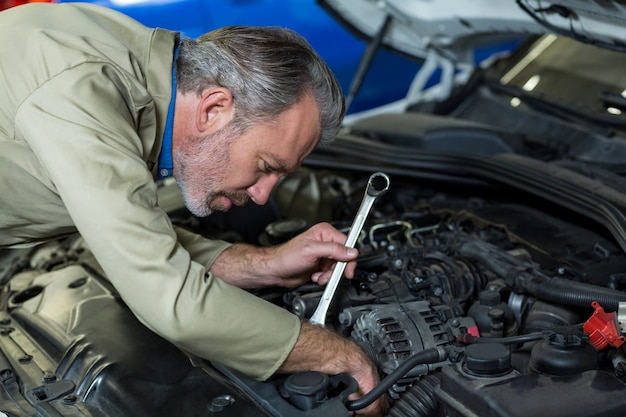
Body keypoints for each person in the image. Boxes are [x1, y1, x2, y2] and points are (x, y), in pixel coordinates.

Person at [0, 2, 384, 416]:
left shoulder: (135, 74)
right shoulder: (81, 89)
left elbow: (124, 232)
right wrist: (340, 356)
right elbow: (172, 299)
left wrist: (263, 264)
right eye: (266, 167)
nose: (261, 195)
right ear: (214, 109)